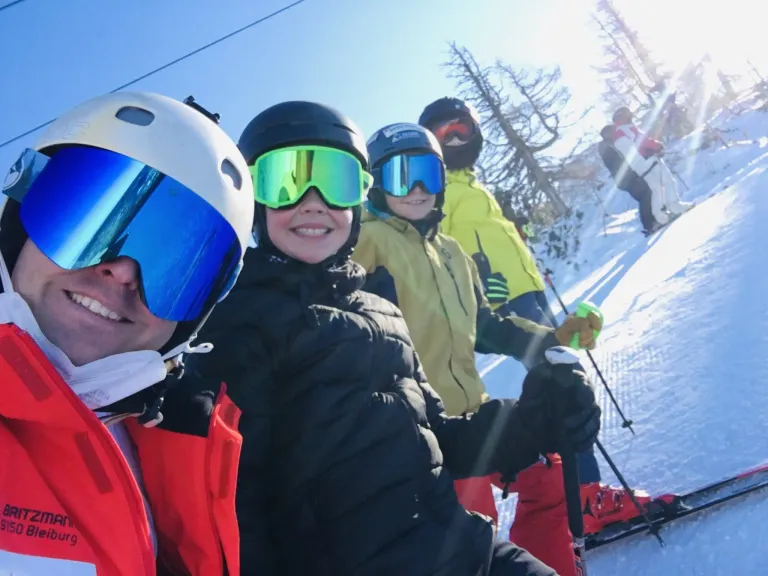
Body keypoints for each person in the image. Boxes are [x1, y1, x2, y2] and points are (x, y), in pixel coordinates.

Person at [185, 101, 602, 576]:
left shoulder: (391, 302)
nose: (314, 200)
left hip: (452, 542)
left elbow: (433, 433)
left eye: (337, 180)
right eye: (286, 180)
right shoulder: (241, 322)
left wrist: (538, 419)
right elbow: (238, 508)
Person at [0, 92, 254, 574]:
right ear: (17, 231)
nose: (123, 273)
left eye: (175, 265)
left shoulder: (176, 452)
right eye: (88, 223)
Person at [354, 122, 604, 576]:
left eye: (426, 175)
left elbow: (486, 325)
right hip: (422, 435)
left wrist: (551, 338)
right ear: (374, 185)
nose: (414, 189)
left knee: (549, 477)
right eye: (398, 175)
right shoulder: (366, 241)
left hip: (472, 417)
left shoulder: (451, 252)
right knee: (473, 544)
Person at [417, 97, 554, 334]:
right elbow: (433, 253)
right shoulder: (437, 193)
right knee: (556, 363)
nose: (455, 140)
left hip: (528, 283)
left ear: (475, 133)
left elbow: (485, 233)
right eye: (445, 135)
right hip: (503, 296)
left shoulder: (475, 187)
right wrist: (475, 286)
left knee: (564, 355)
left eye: (462, 130)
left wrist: (514, 230)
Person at [611, 106, 692, 228]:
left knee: (660, 186)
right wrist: (654, 148)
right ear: (622, 117)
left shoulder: (623, 132)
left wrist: (654, 148)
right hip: (647, 161)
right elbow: (639, 144)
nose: (630, 117)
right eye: (628, 115)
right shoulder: (624, 131)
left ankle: (665, 213)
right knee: (664, 184)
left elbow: (640, 144)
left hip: (644, 163)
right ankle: (669, 210)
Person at [598, 124, 659, 233]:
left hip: (624, 179)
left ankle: (653, 221)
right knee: (645, 194)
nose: (615, 132)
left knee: (646, 194)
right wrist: (633, 173)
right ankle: (650, 224)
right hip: (626, 178)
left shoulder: (607, 146)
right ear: (606, 134)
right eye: (612, 131)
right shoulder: (610, 146)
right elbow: (622, 161)